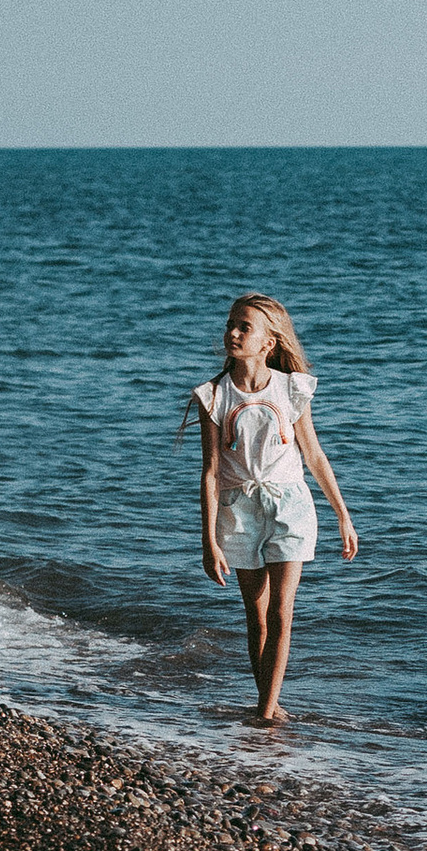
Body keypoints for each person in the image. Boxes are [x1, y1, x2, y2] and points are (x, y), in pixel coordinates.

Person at [175, 293, 357, 721]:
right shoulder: (214, 396)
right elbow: (210, 473)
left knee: (281, 610)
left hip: (290, 504)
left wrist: (343, 516)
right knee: (255, 617)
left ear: (268, 343)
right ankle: (270, 707)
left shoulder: (291, 388)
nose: (232, 333)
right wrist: (208, 542)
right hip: (239, 510)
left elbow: (313, 455)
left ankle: (266, 709)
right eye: (230, 325)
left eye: (244, 327)